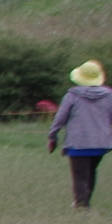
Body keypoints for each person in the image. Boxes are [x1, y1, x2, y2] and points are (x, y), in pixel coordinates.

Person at [48, 59, 112, 208]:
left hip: (78, 142)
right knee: (91, 171)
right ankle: (85, 200)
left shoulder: (72, 95)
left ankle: (81, 205)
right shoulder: (108, 95)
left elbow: (60, 118)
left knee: (79, 175)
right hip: (100, 142)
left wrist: (53, 135)